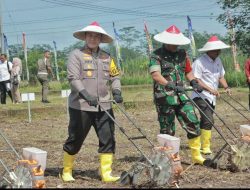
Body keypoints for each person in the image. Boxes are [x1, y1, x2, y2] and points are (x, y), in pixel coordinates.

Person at [60, 21, 123, 183]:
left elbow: (115, 76)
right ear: (85, 37)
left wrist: (116, 91)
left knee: (108, 138)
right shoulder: (76, 55)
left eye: (96, 36)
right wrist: (85, 94)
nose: (93, 39)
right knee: (76, 138)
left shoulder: (107, 57)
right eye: (90, 35)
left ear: (101, 39)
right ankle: (66, 170)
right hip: (81, 105)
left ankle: (106, 173)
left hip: (104, 105)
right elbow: (73, 78)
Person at [149, 25, 211, 166]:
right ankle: (168, 159)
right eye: (172, 42)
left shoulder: (183, 54)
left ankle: (197, 156)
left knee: (193, 122)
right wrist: (168, 84)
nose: (175, 45)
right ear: (165, 41)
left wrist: (194, 81)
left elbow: (188, 71)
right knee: (167, 129)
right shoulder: (156, 55)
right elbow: (156, 75)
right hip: (165, 97)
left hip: (182, 95)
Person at [191, 36, 231, 155]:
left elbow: (221, 76)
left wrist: (226, 87)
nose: (218, 52)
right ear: (208, 50)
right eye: (215, 50)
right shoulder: (199, 62)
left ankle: (202, 142)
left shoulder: (218, 61)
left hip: (212, 97)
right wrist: (210, 89)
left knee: (206, 120)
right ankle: (205, 147)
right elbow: (196, 80)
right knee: (208, 119)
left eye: (219, 50)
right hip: (201, 95)